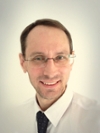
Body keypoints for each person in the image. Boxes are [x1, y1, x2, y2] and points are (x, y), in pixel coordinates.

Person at [5, 18, 100, 133]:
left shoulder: (96, 120)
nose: (50, 73)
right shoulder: (8, 121)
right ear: (23, 62)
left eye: (60, 57)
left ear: (71, 61)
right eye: (38, 58)